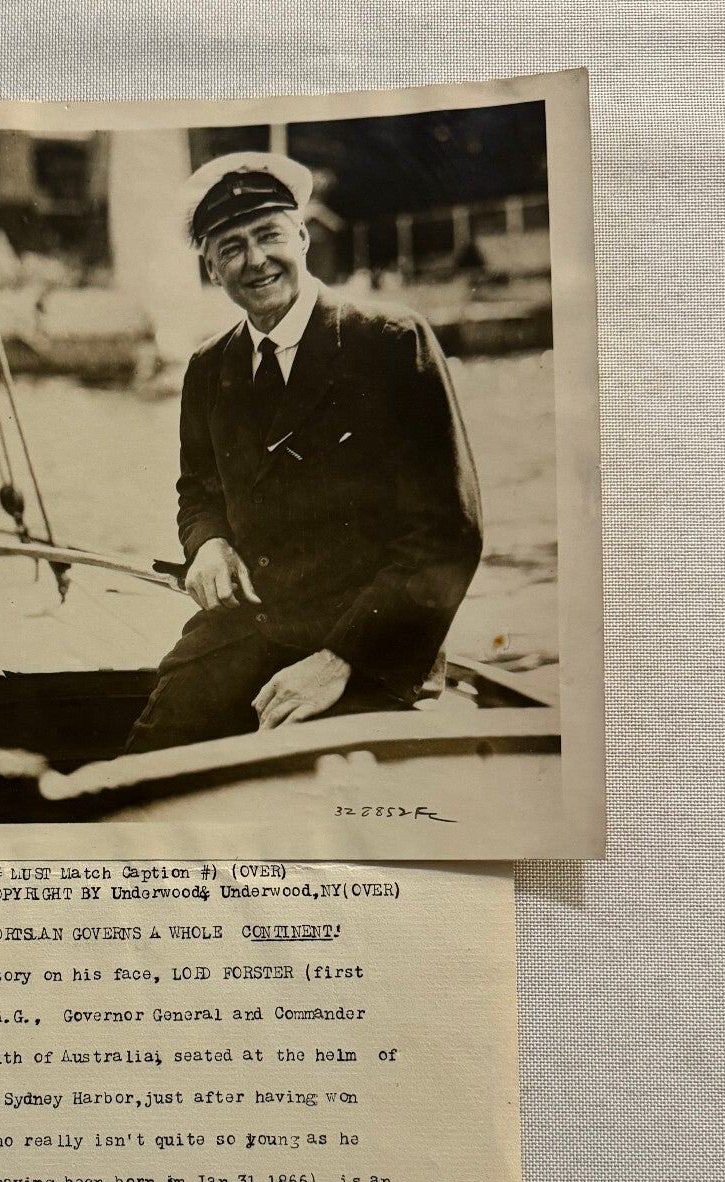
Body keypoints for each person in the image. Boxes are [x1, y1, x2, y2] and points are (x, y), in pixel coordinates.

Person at [125, 152, 483, 753]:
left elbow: (448, 534)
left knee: (316, 795)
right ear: (211, 269)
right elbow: (199, 492)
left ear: (302, 237)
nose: (256, 260)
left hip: (373, 645)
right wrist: (207, 544)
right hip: (248, 630)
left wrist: (341, 659)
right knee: (142, 763)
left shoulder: (390, 342)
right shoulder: (209, 368)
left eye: (269, 235)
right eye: (231, 247)